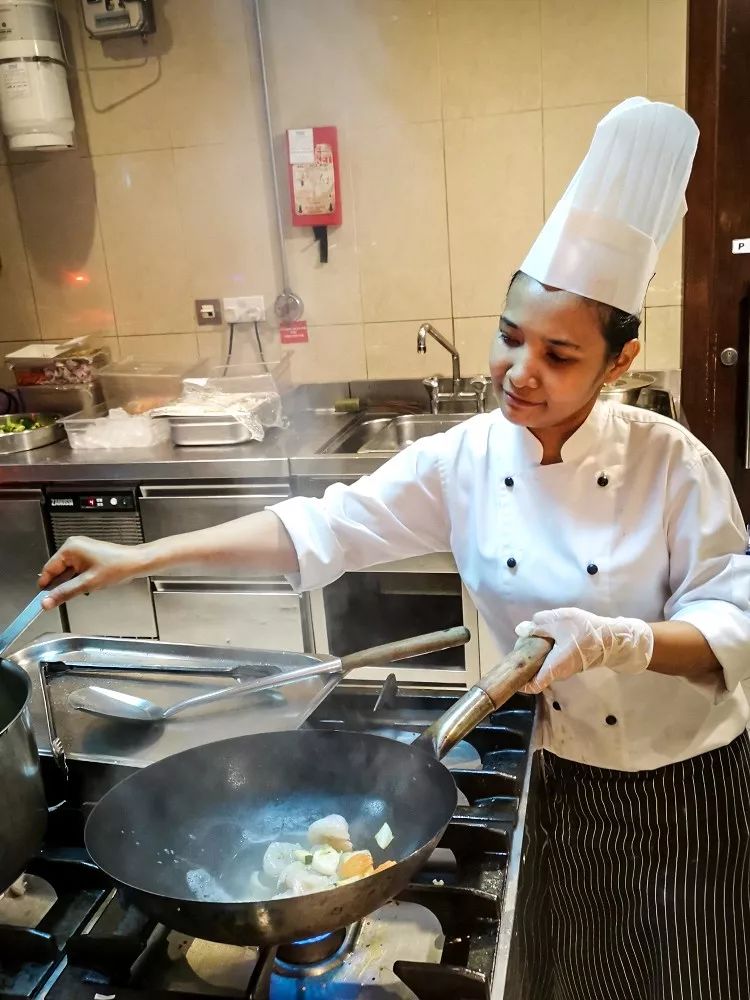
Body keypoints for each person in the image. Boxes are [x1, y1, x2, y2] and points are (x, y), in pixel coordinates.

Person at [39, 99, 750, 999]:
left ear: (619, 361)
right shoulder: (464, 458)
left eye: (559, 355)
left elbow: (736, 617)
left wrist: (628, 641)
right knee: (575, 976)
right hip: (556, 772)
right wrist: (141, 558)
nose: (519, 370)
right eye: (509, 335)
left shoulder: (670, 462)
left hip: (682, 783)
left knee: (691, 974)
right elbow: (318, 528)